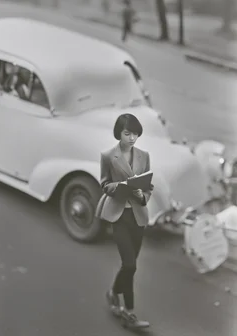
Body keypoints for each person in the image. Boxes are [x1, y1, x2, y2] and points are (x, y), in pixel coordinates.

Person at [96, 113, 153, 329]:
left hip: (137, 215)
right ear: (118, 133)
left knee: (130, 267)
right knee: (129, 264)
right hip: (118, 213)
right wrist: (120, 187)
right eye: (127, 133)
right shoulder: (108, 156)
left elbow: (149, 186)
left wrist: (141, 195)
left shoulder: (144, 156)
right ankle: (129, 313)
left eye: (135, 134)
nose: (131, 138)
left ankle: (112, 292)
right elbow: (104, 184)